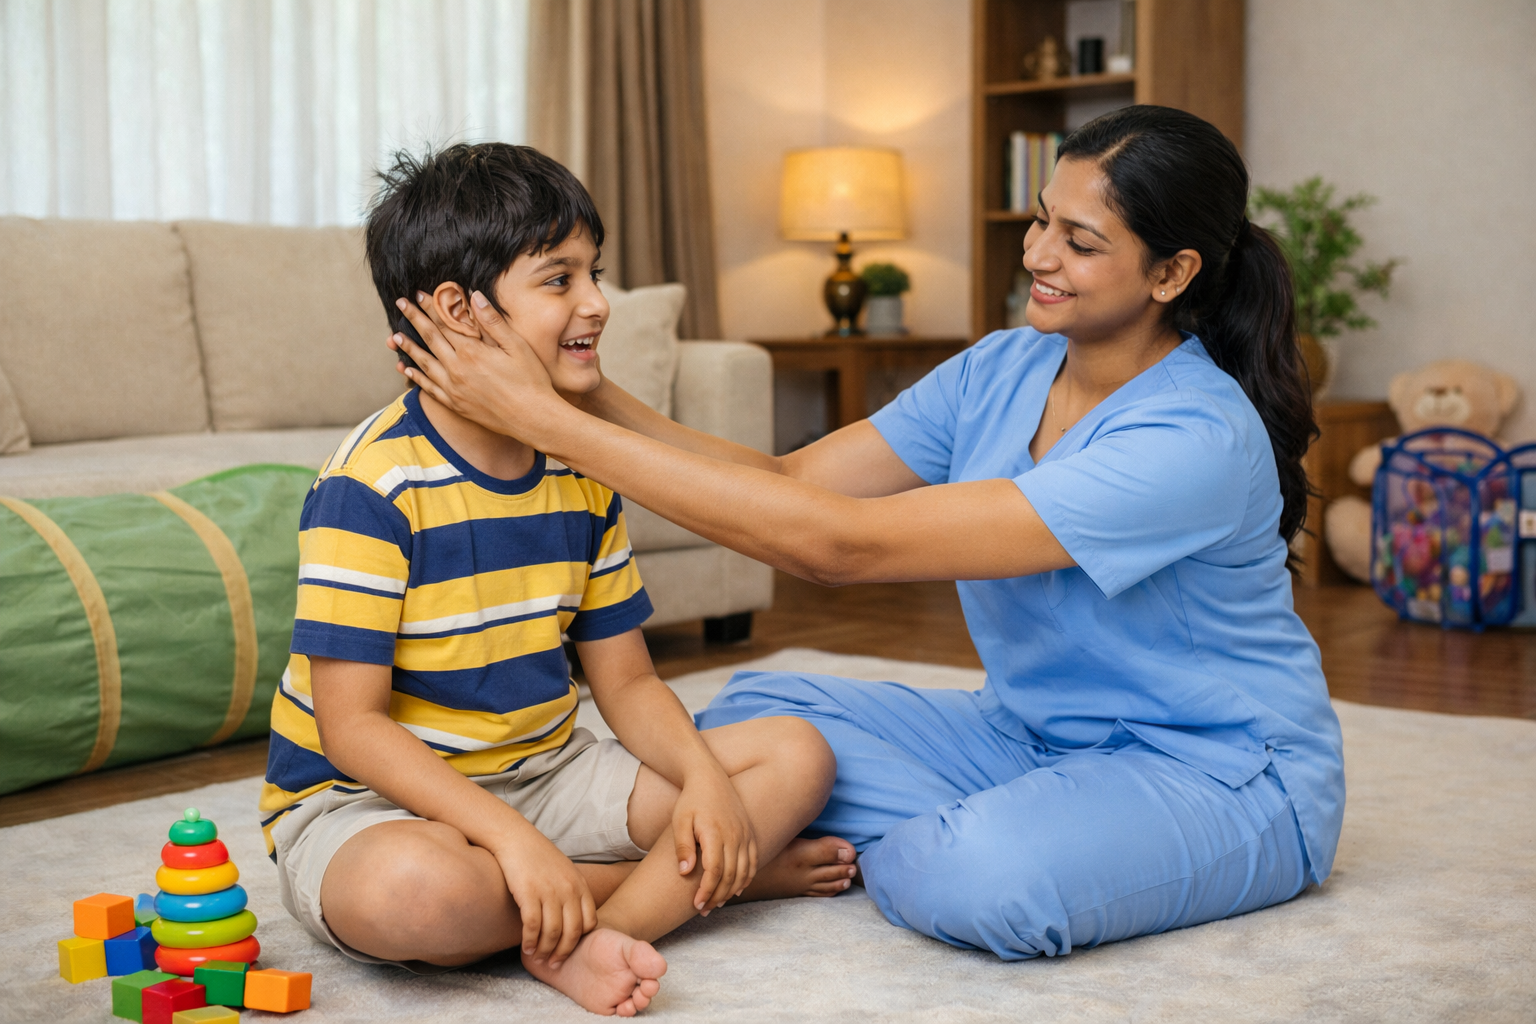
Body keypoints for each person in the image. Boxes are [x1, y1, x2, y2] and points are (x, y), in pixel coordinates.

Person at [386, 106, 1346, 962]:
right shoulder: (1005, 366)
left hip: (1219, 773)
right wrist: (594, 396)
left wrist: (550, 424)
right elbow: (792, 482)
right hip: (1025, 738)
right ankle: (984, 828)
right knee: (755, 720)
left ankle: (998, 838)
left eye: (1081, 241)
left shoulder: (1193, 436)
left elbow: (841, 547)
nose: (1039, 255)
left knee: (975, 877)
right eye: (1041, 219)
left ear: (1173, 272)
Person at [259, 143, 851, 1017]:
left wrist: (707, 784)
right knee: (413, 892)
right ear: (457, 312)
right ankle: (696, 885)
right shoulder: (369, 486)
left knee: (796, 755)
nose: (597, 304)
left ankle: (587, 915)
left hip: (549, 772)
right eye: (560, 279)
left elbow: (631, 681)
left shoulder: (581, 471)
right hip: (372, 801)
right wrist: (509, 841)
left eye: (595, 273)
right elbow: (351, 730)